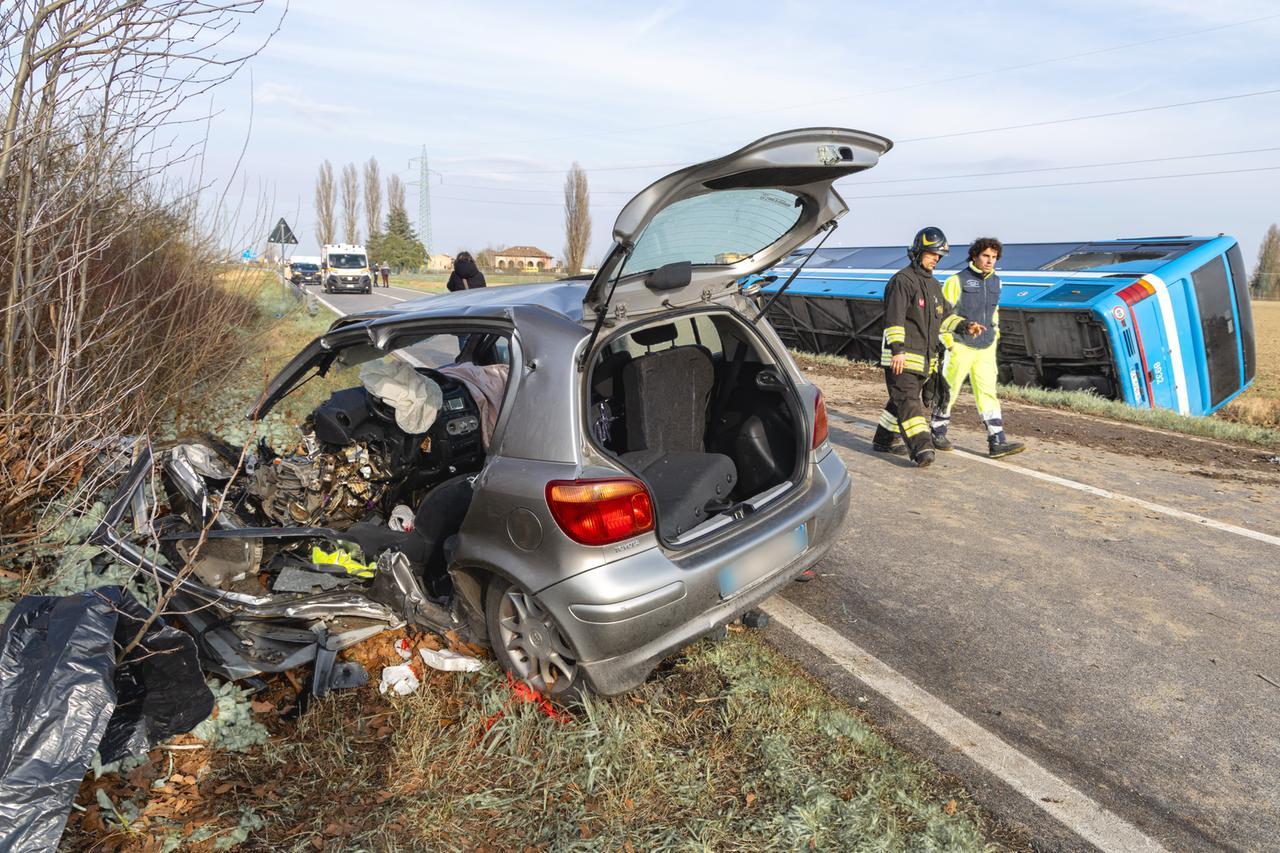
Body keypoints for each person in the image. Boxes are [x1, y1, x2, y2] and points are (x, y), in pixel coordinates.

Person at [871, 226, 978, 467]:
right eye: (932, 254)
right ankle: (922, 448)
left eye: (939, 256)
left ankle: (883, 440)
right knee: (909, 402)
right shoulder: (903, 281)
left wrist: (966, 326)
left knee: (899, 400)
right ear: (918, 251)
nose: (936, 259)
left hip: (925, 360)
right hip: (902, 358)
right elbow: (894, 319)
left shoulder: (933, 285)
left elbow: (946, 317)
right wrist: (897, 350)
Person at [931, 237, 1026, 458]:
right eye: (985, 256)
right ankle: (937, 431)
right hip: (960, 345)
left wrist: (996, 335)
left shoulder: (997, 281)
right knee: (949, 389)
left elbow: (994, 311)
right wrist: (948, 342)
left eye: (993, 257)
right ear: (975, 256)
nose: (990, 260)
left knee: (987, 392)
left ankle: (997, 440)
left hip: (986, 347)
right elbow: (943, 313)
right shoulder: (957, 280)